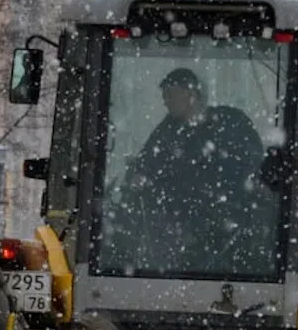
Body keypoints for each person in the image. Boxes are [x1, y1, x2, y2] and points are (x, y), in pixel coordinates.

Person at [115, 68, 272, 270]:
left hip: (229, 225)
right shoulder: (167, 131)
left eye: (170, 95)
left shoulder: (231, 123)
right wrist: (138, 176)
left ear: (191, 94)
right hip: (180, 229)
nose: (166, 101)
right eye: (165, 96)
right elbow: (147, 165)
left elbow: (253, 165)